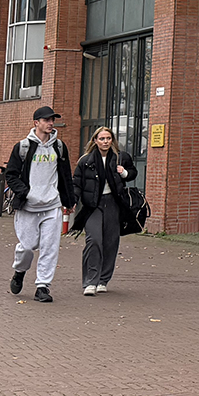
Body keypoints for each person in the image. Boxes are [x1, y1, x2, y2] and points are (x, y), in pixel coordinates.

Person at [3, 106, 76, 304]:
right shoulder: (23, 146)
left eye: (52, 120)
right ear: (36, 123)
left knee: (50, 247)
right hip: (29, 206)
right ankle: (19, 271)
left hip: (52, 205)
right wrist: (25, 192)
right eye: (46, 120)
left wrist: (69, 201)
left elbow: (65, 176)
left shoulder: (59, 147)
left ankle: (42, 286)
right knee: (27, 247)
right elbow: (11, 174)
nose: (50, 123)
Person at [70, 126, 137, 296]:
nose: (105, 141)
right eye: (102, 139)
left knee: (110, 242)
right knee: (94, 240)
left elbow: (132, 173)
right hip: (93, 205)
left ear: (112, 140)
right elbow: (77, 183)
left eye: (108, 138)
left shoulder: (121, 158)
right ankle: (90, 281)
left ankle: (103, 280)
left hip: (114, 204)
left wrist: (124, 173)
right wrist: (72, 201)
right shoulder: (86, 161)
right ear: (95, 141)